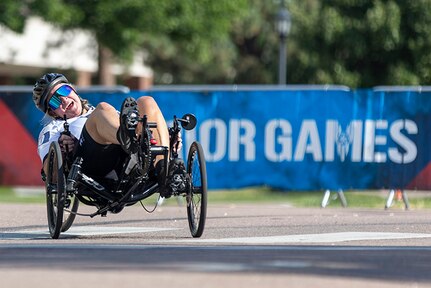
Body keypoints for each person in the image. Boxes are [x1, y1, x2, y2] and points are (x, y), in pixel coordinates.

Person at [33, 72, 184, 197]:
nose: (64, 100)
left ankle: (164, 171)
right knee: (102, 110)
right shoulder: (52, 129)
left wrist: (169, 140)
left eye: (64, 91)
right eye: (54, 101)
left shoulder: (106, 114)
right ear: (52, 112)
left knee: (146, 101)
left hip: (126, 159)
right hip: (92, 164)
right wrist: (61, 149)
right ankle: (128, 138)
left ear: (73, 90)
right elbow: (49, 173)